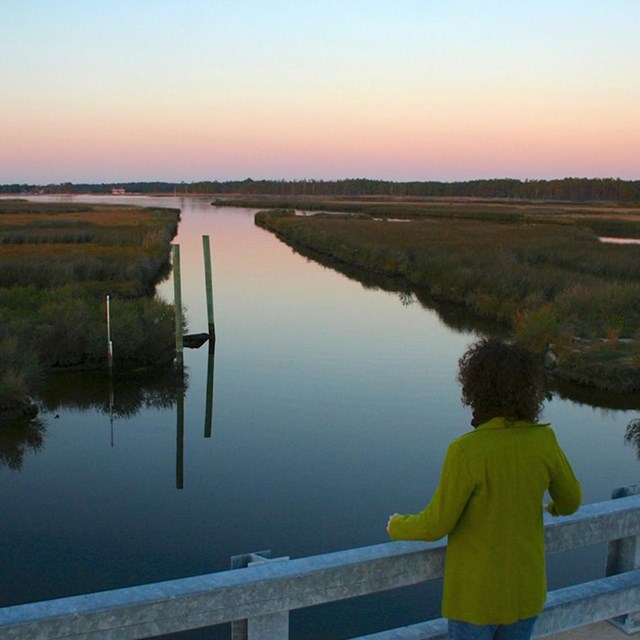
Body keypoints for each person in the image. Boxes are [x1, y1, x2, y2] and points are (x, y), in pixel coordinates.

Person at [387, 338, 582, 640]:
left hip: (476, 601)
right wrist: (551, 508)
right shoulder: (544, 441)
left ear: (474, 388)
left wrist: (397, 526)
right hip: (525, 594)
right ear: (527, 390)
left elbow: (436, 524)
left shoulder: (466, 451)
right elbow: (571, 502)